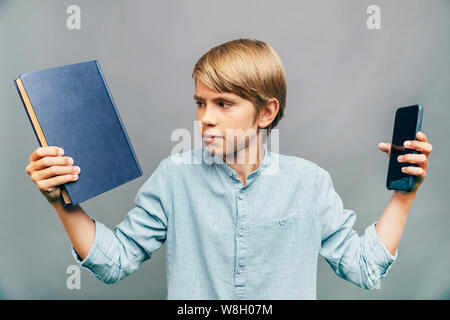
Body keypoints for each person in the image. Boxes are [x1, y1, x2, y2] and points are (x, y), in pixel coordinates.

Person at [24, 38, 433, 299]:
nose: (206, 118)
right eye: (201, 103)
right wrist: (62, 203)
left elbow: (363, 267)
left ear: (266, 112)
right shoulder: (174, 176)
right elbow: (115, 263)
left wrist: (404, 193)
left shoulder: (309, 183)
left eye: (224, 103)